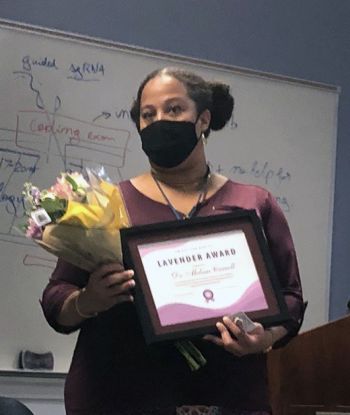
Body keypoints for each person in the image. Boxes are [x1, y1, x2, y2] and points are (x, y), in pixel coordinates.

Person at [41, 67, 304, 415]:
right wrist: (89, 300)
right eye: (148, 115)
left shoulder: (253, 203)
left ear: (203, 119)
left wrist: (264, 338)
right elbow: (55, 297)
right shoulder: (104, 206)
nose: (159, 120)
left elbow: (290, 298)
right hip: (120, 398)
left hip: (229, 397)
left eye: (174, 110)